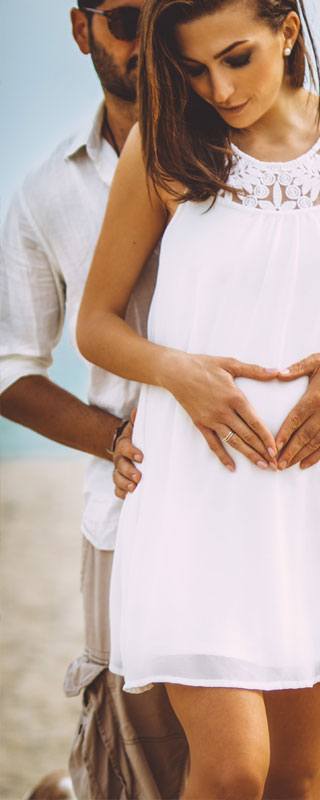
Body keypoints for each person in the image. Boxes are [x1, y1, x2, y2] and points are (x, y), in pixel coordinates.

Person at [77, 0, 320, 797]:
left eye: (237, 57)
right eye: (192, 68)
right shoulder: (169, 146)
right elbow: (97, 325)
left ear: (288, 31)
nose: (216, 88)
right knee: (231, 770)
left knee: (300, 777)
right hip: (196, 497)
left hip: (306, 502)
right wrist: (180, 373)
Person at [0, 2, 188, 798]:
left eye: (163, 16)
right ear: (82, 31)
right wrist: (117, 438)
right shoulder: (48, 193)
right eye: (122, 19)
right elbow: (9, 368)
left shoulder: (247, 159)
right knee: (135, 744)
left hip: (261, 487)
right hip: (127, 510)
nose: (146, 41)